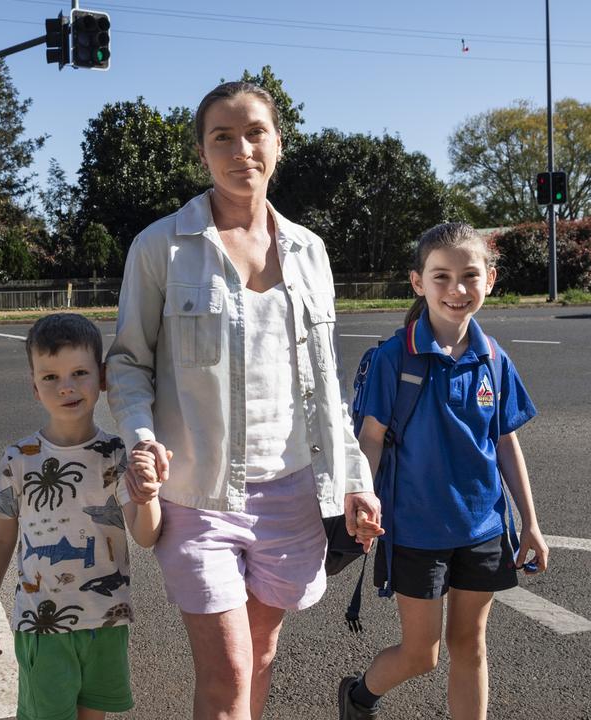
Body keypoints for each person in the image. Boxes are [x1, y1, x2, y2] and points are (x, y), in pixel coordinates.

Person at [106, 81, 383, 720]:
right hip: (199, 495)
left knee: (258, 660)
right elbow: (126, 363)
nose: (241, 150)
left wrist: (356, 481)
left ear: (278, 143)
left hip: (292, 493)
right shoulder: (161, 247)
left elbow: (324, 384)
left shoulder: (311, 251)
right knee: (227, 671)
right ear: (203, 153)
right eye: (221, 137)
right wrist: (141, 438)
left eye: (255, 132)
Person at [338, 223, 550, 720]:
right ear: (418, 282)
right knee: (421, 654)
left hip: (483, 527)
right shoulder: (395, 358)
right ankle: (358, 696)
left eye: (469, 276)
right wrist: (361, 499)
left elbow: (504, 441)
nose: (457, 290)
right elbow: (370, 440)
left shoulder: (494, 359)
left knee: (469, 645)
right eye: (441, 277)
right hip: (415, 528)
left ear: (490, 279)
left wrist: (532, 523)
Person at [0, 312, 162, 720]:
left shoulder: (118, 454)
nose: (67, 387)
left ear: (103, 377)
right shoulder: (19, 460)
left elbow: (145, 536)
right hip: (44, 626)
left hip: (107, 624)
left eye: (79, 372)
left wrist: (147, 496)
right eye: (50, 377)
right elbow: (1, 540)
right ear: (34, 388)